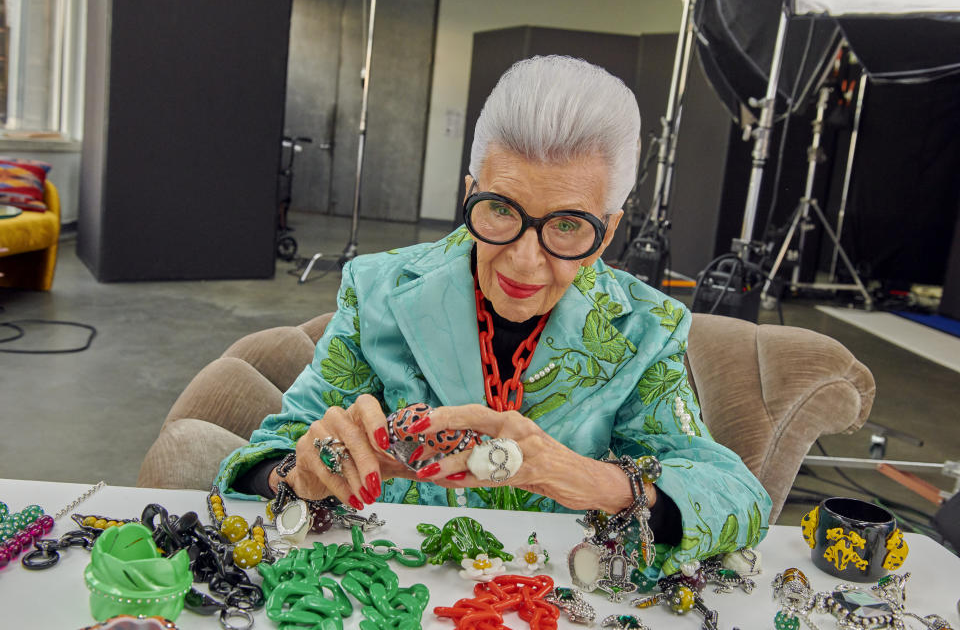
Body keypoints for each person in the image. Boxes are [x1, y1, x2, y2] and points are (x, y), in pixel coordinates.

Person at [216, 55, 771, 576]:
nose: (525, 261)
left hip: (548, 595)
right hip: (394, 583)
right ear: (470, 192)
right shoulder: (379, 290)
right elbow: (261, 458)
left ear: (609, 232)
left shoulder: (644, 329)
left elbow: (738, 498)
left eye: (569, 226)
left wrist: (585, 479)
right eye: (501, 210)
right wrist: (302, 471)